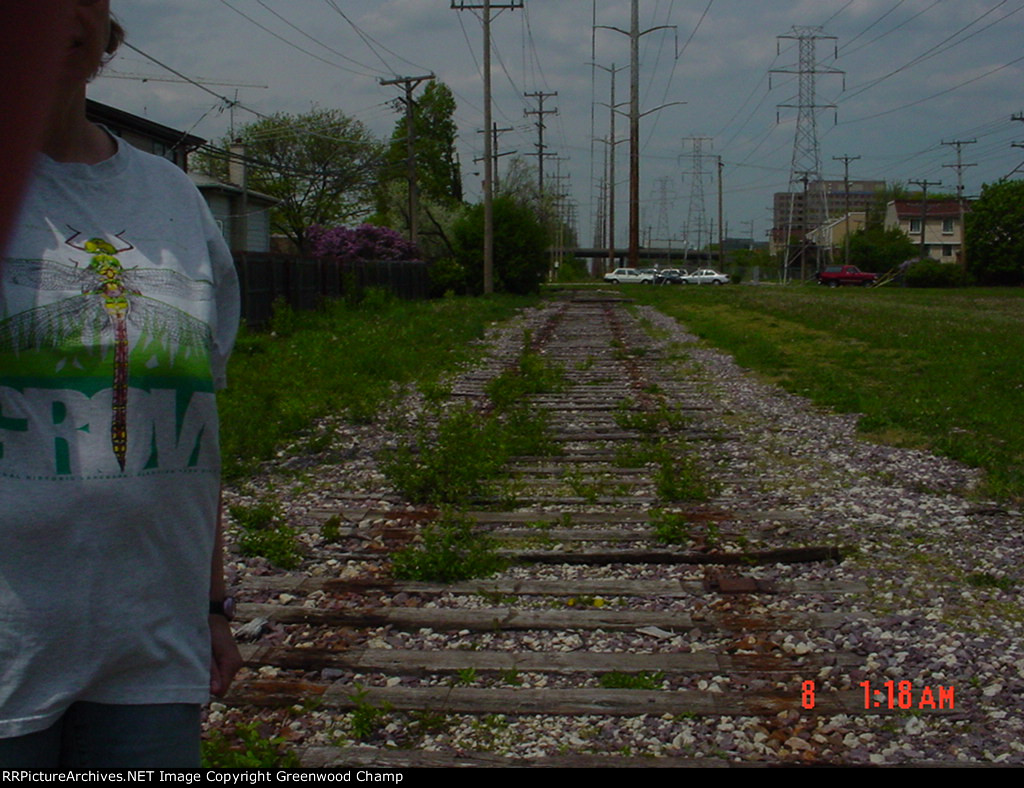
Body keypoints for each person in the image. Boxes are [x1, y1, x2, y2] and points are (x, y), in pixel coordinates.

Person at [0, 1, 242, 767]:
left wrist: (211, 605)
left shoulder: (174, 201)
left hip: (150, 649)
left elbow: (196, 434)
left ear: (106, 33)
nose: (63, 15)